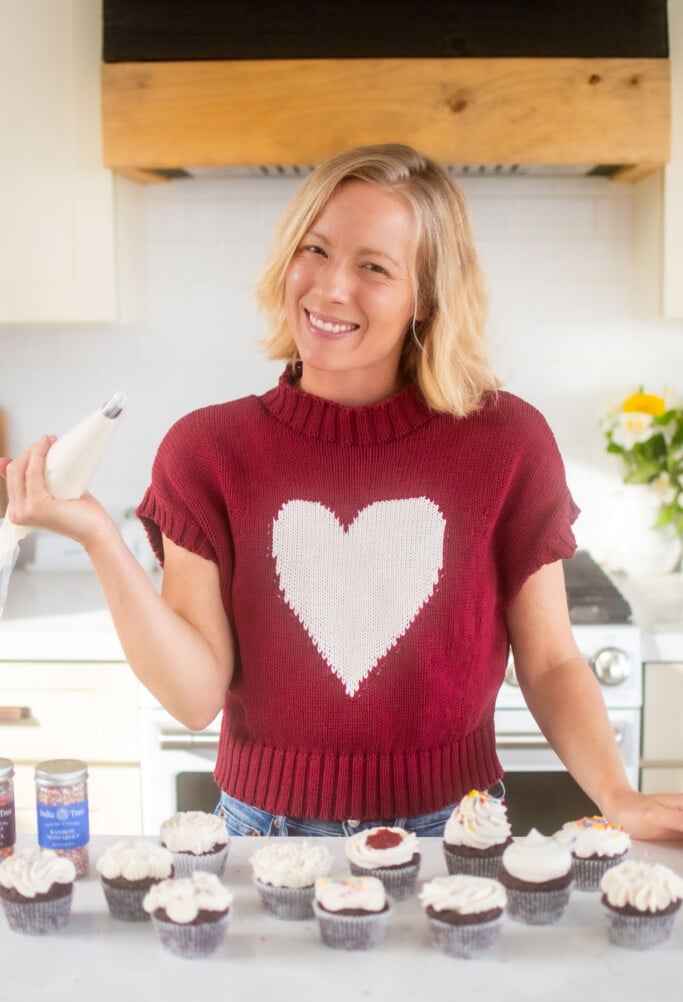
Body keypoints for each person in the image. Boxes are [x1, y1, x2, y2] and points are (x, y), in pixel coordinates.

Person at [2, 143, 682, 841]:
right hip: (262, 839)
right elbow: (193, 695)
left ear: (427, 296)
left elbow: (550, 660)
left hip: (456, 834)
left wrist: (616, 794)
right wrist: (95, 535)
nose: (330, 288)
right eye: (315, 250)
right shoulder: (206, 451)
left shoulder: (506, 443)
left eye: (374, 267)